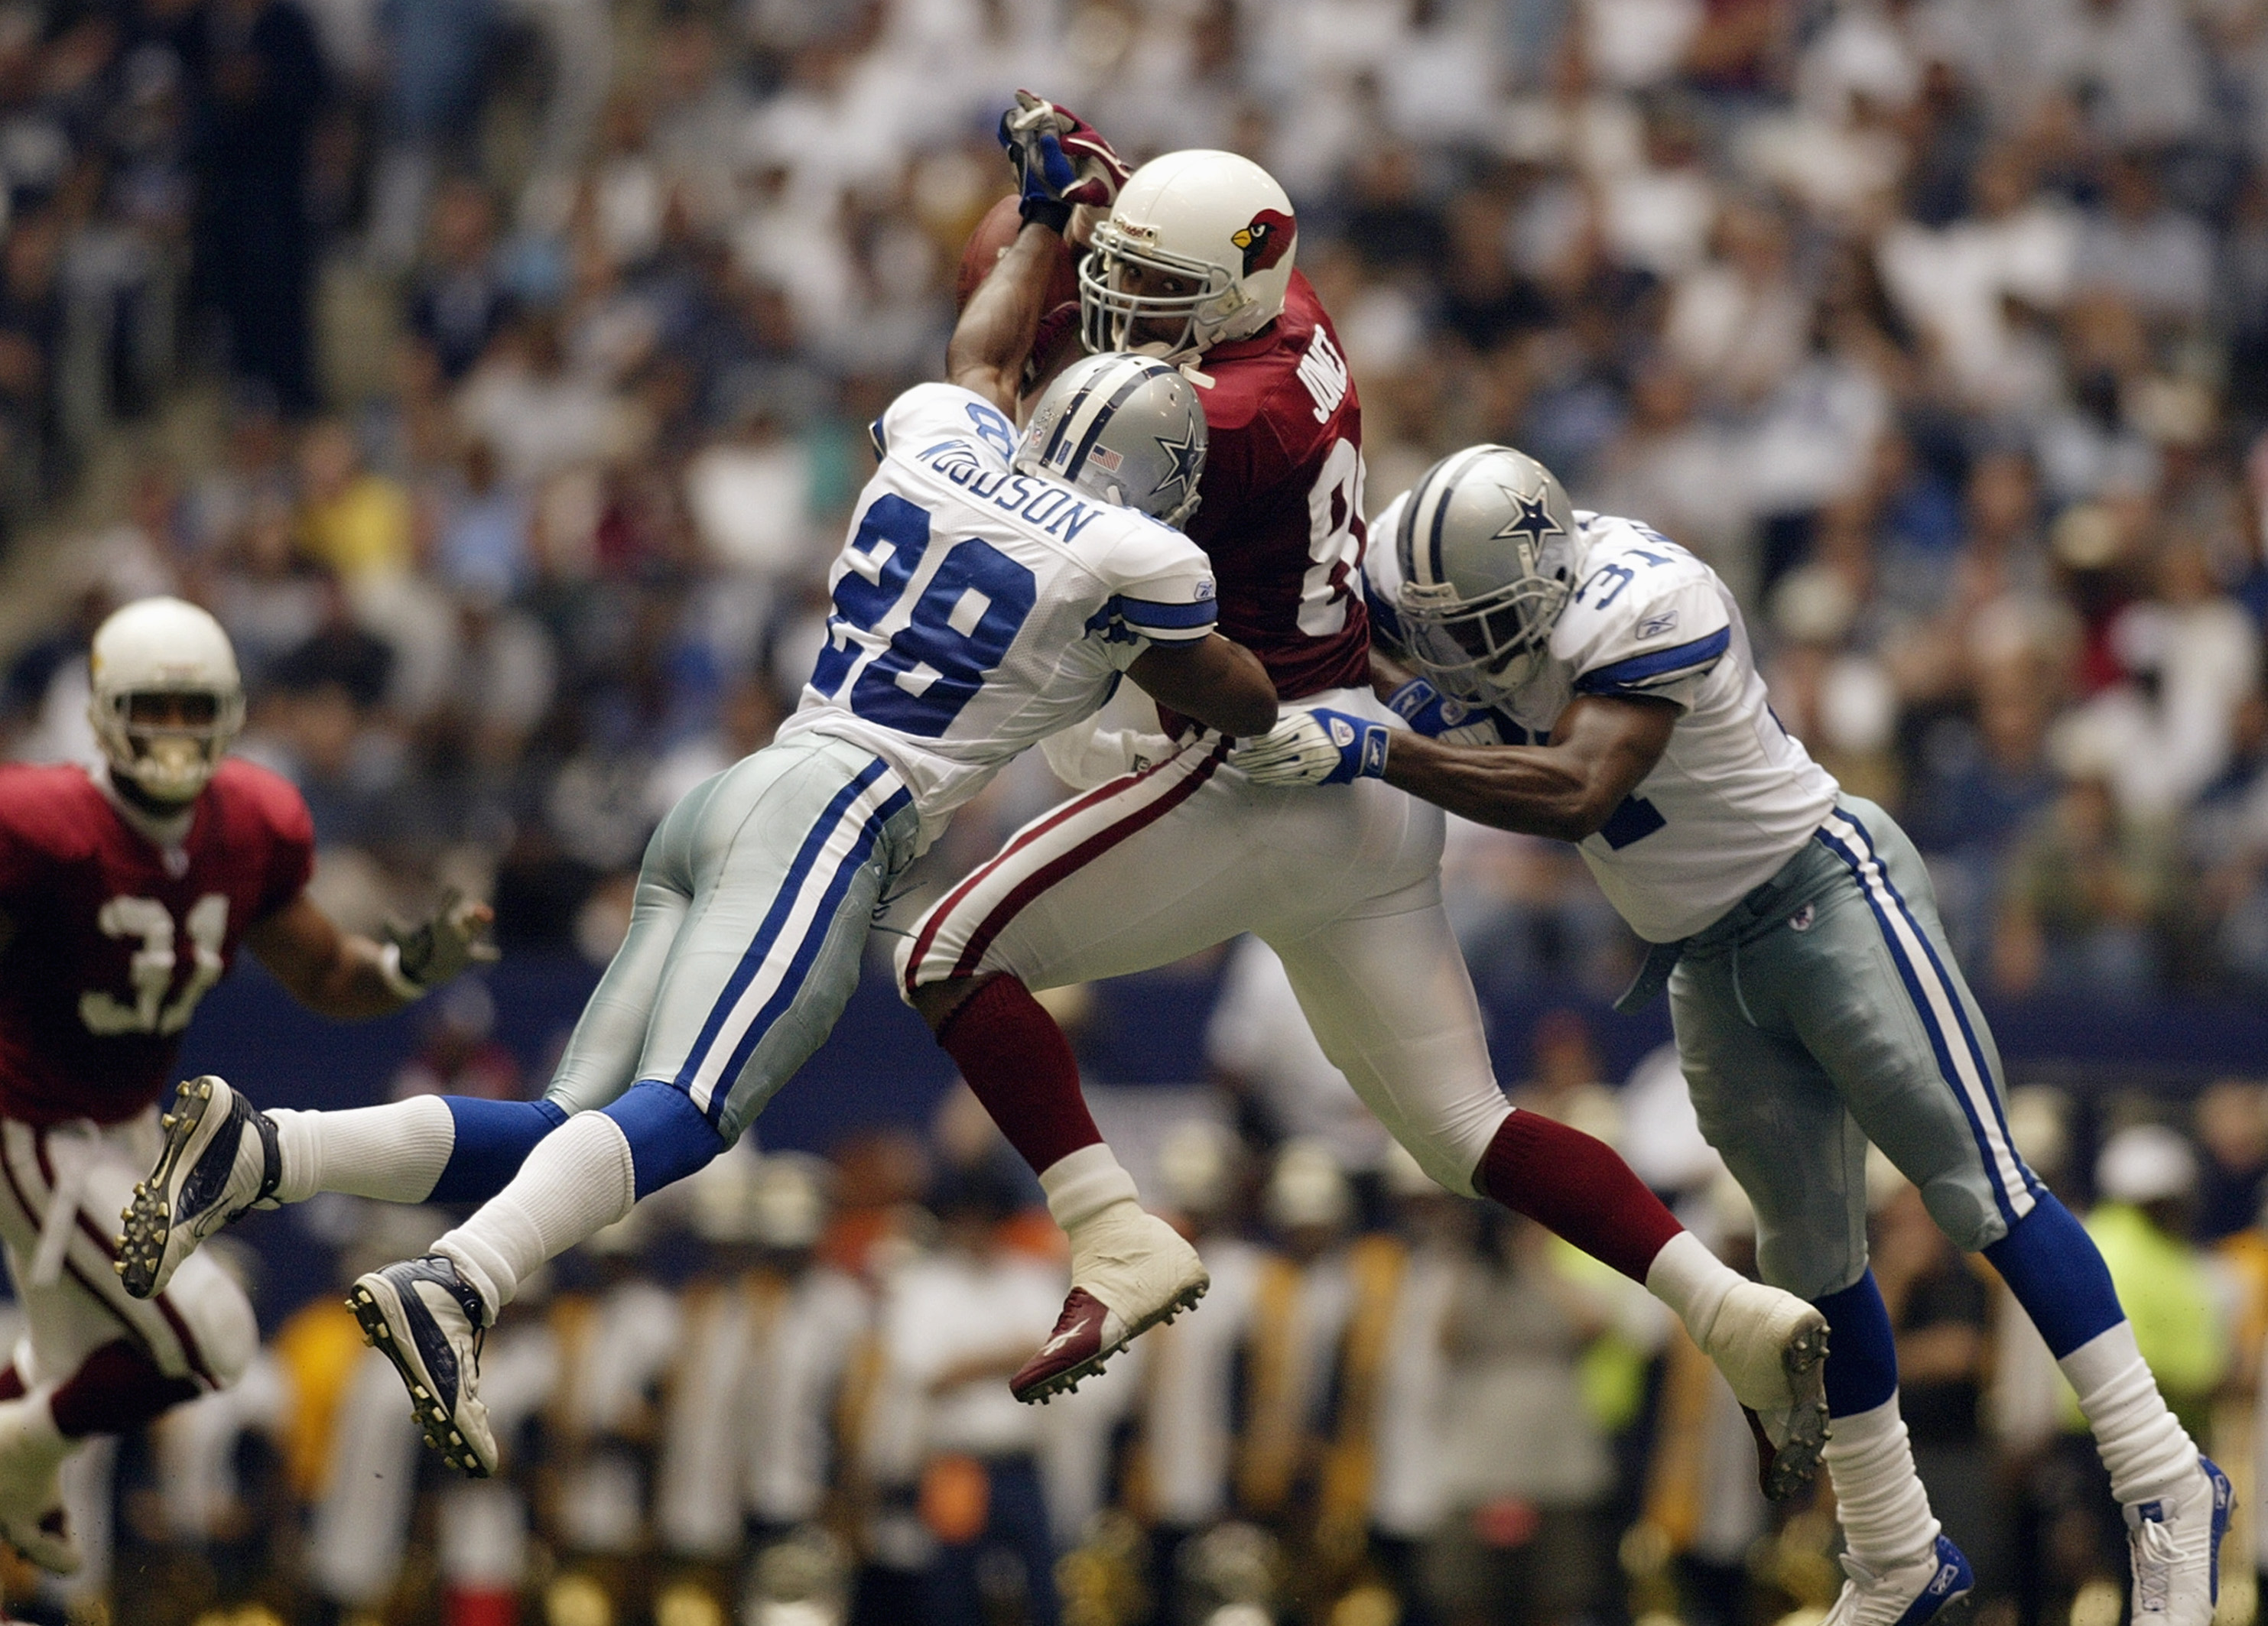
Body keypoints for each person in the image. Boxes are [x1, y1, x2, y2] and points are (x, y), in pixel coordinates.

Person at [120, 239, 1279, 1482]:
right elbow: (1245, 700)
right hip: (842, 816)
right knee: (692, 1115)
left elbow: (978, 353)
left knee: (572, 1130)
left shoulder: (951, 432)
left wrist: (1046, 216)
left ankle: (266, 1151)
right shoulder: (1142, 555)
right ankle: (458, 1281)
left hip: (735, 788)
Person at [895, 101, 1830, 1489]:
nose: (1126, 312)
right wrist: (1114, 187)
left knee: (945, 951)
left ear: (1229, 292)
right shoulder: (1290, 311)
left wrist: (1029, 243)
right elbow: (1192, 236)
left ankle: (1111, 1226)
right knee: (1467, 1129)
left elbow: (1020, 432)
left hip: (1257, 768)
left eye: (1156, 295)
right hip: (1367, 775)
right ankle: (1724, 1304)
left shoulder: (1219, 424)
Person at [1234, 443, 2231, 1626]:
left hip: (1821, 896)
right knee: (1805, 1262)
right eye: (1435, 627)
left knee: (1977, 1188)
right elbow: (1368, 629)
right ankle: (1894, 1554)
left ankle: (2163, 1479)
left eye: (1477, 629)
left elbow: (1577, 792)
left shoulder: (1648, 598)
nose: (1449, 656)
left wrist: (1380, 746)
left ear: (1545, 582)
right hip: (1700, 956)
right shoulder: (1440, 563)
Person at [0, 596, 492, 1571]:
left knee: (71, 1366)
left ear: (229, 712)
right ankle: (13, 1455)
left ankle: (18, 1451)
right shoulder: (40, 822)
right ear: (104, 711)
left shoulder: (251, 824)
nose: (174, 735)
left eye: (194, 711)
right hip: (37, 1123)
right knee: (213, 1335)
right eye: (153, 707)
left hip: (131, 1128)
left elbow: (323, 972)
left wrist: (401, 970)